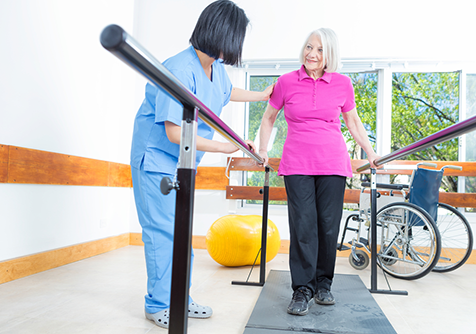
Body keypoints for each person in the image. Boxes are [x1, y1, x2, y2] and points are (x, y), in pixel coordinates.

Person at [130, 0, 274, 329]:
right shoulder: (179, 68)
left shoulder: (213, 67)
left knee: (182, 233)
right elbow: (173, 132)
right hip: (155, 161)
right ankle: (157, 304)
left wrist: (262, 95)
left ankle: (180, 296)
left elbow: (226, 92)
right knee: (163, 234)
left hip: (182, 164)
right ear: (221, 34)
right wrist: (227, 146)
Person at [257, 27, 380, 316]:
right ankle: (302, 289)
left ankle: (323, 284)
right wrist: (263, 150)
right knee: (303, 226)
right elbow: (268, 118)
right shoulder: (286, 81)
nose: (312, 54)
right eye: (309, 47)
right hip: (297, 164)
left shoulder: (342, 84)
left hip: (333, 164)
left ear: (330, 55)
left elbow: (353, 123)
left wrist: (371, 153)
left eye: (320, 50)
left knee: (327, 225)